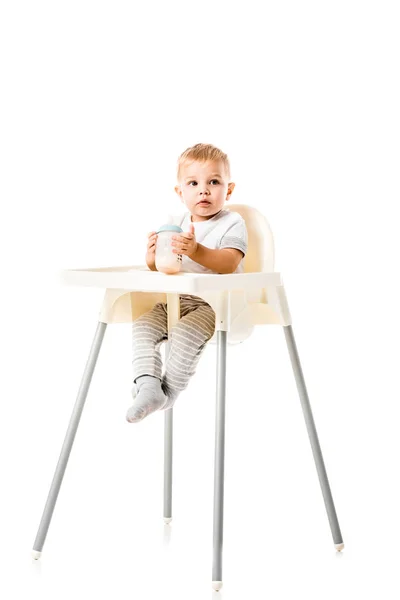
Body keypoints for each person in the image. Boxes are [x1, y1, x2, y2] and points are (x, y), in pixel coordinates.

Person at [127, 143, 248, 423]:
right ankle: (147, 385)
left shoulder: (232, 221)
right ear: (180, 192)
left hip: (214, 303)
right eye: (193, 183)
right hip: (175, 299)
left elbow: (229, 263)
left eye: (214, 182)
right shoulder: (176, 221)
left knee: (184, 331)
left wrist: (197, 251)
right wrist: (152, 255)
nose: (203, 190)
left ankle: (168, 393)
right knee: (143, 326)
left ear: (228, 190)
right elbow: (164, 266)